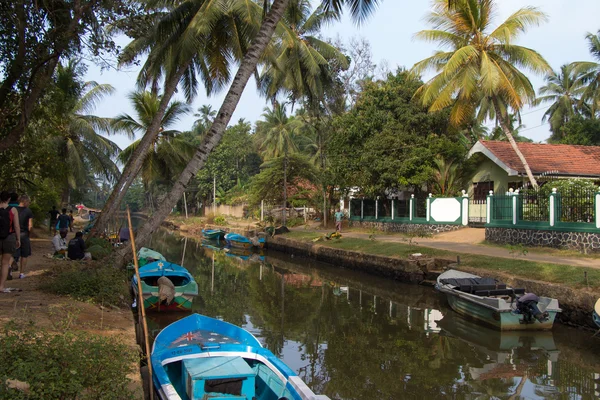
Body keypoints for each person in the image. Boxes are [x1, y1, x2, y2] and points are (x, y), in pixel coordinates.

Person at [0, 191, 20, 293]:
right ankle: (1, 286)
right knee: (5, 263)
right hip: (9, 237)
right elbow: (16, 226)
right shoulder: (13, 210)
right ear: (8, 199)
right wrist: (18, 239)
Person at [12, 195, 33, 279]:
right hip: (24, 235)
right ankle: (21, 273)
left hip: (13, 234)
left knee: (11, 253)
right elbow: (30, 226)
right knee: (24, 255)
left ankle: (11, 265)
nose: (29, 203)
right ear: (25, 201)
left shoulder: (13, 210)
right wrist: (29, 233)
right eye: (28, 202)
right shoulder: (28, 211)